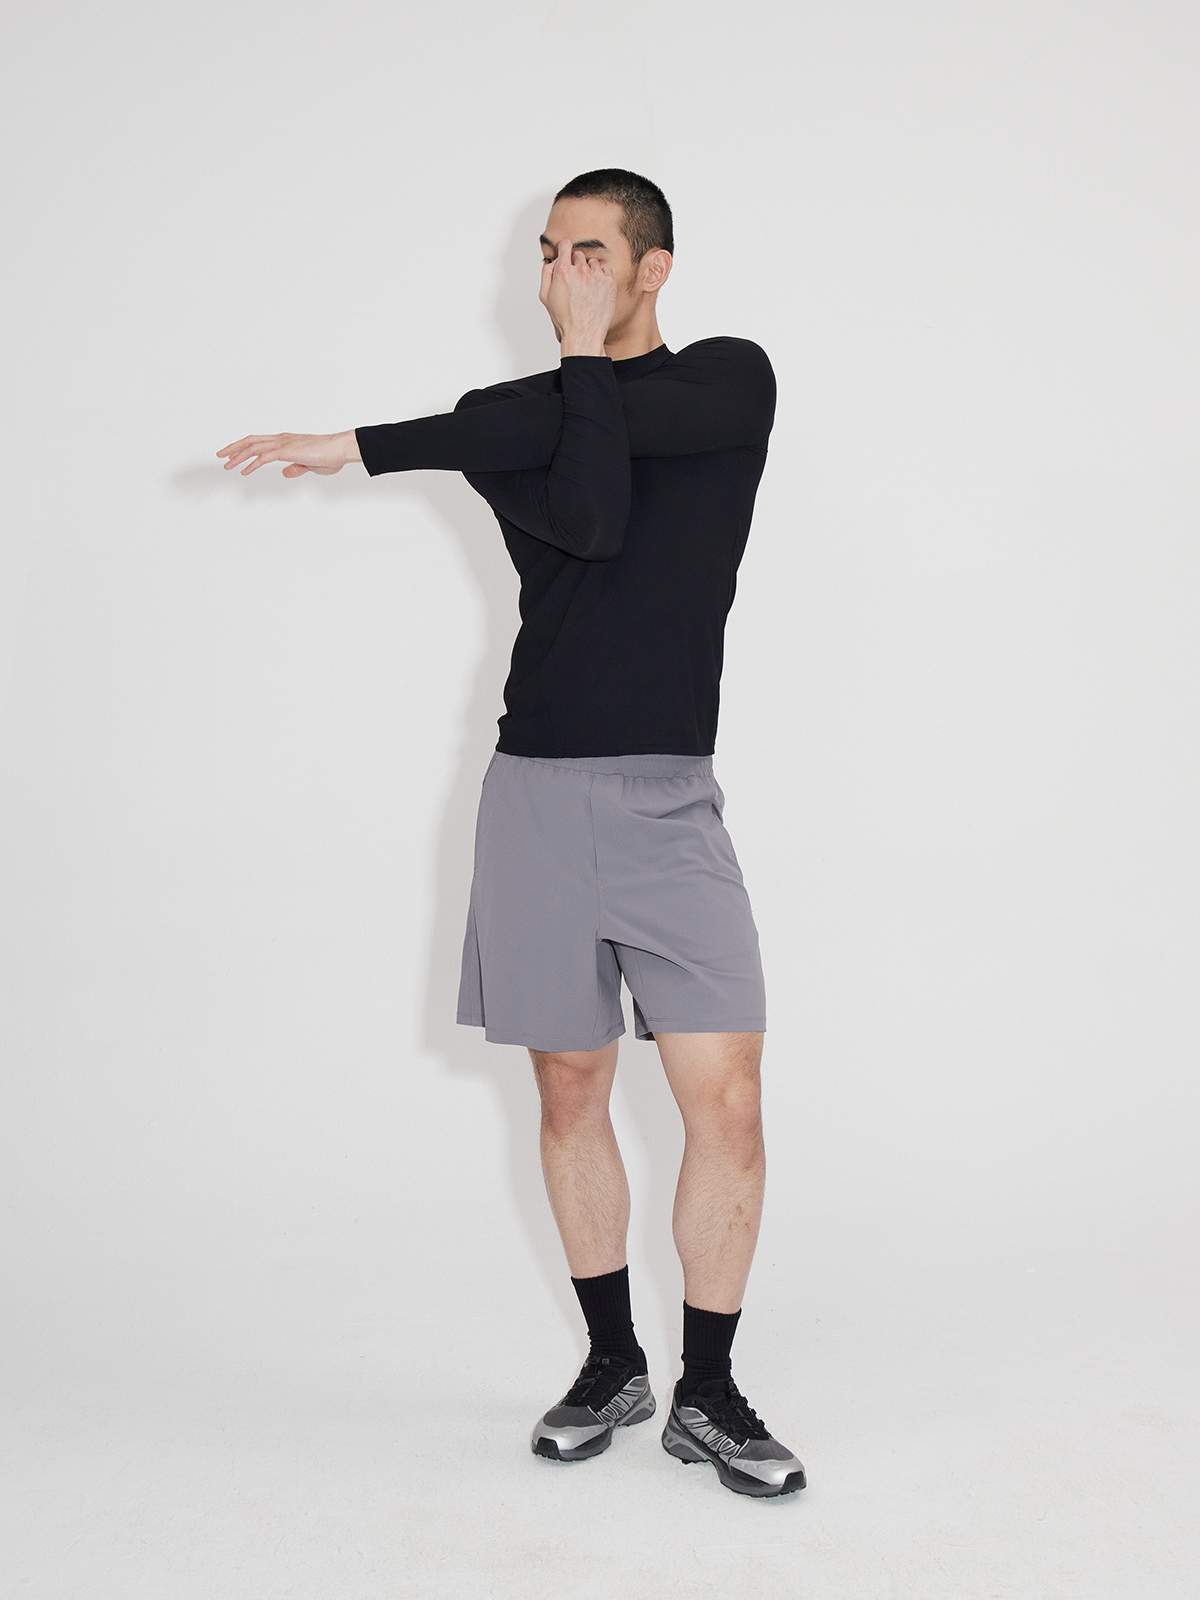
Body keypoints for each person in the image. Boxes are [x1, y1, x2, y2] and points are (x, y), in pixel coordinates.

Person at [218, 168, 804, 1499]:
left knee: (729, 1098)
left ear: (654, 268)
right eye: (548, 253)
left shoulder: (730, 380)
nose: (558, 276)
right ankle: (614, 1363)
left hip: (672, 801)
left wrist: (401, 432)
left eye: (588, 253)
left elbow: (592, 463)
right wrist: (382, 439)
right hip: (536, 794)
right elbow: (594, 519)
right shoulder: (514, 415)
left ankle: (710, 1391)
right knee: (571, 1088)